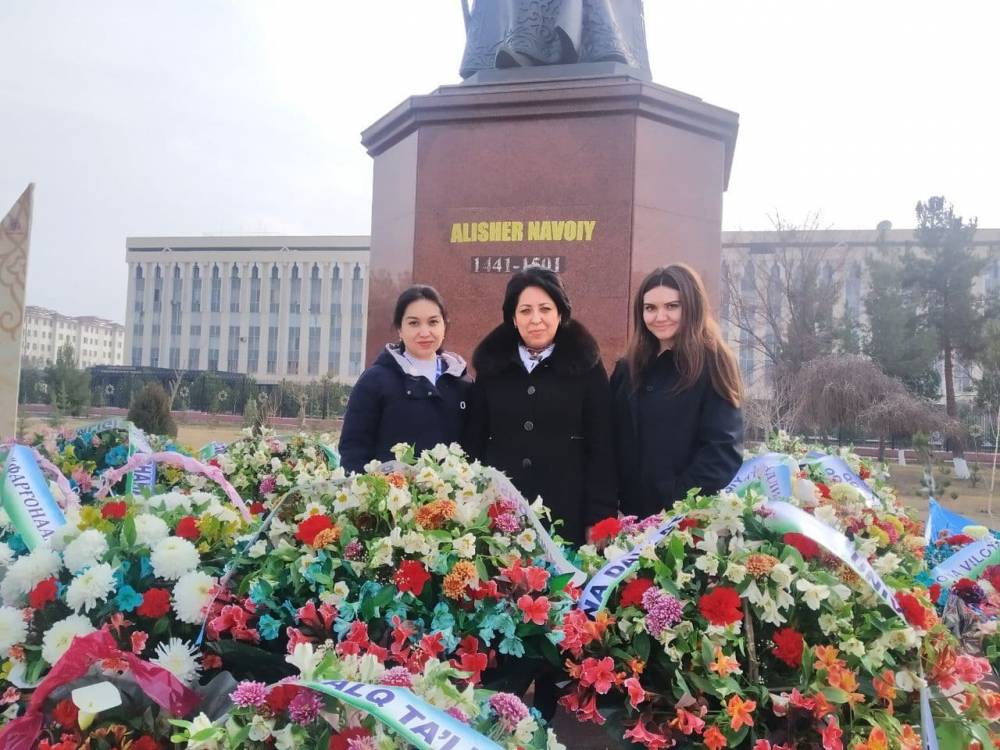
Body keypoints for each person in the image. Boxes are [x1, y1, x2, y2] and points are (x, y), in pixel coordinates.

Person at [465, 267, 616, 545]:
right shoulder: (492, 367)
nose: (536, 319)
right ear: (513, 318)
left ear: (560, 313)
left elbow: (602, 448)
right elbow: (474, 441)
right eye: (525, 311)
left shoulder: (586, 366)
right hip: (501, 515)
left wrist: (598, 517)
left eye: (545, 309)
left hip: (566, 514)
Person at [612, 264, 743, 518]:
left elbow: (722, 452)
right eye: (650, 308)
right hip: (626, 516)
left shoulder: (714, 363)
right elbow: (609, 438)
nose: (660, 316)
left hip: (681, 520)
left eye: (672, 306)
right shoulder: (627, 368)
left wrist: (674, 506)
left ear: (692, 307)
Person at [339, 285, 471, 473]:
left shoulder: (462, 382)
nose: (424, 332)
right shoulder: (374, 381)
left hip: (452, 491)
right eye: (414, 323)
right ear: (399, 329)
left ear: (444, 326)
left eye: (433, 322)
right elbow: (354, 450)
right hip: (391, 490)